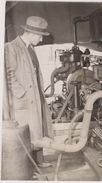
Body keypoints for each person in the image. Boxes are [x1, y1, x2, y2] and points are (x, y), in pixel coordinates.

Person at [4, 16, 53, 168]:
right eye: (40, 36)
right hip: (23, 100)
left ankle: (39, 160)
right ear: (31, 33)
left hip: (35, 97)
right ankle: (26, 165)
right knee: (27, 131)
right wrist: (23, 94)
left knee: (39, 127)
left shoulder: (30, 48)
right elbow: (8, 75)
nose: (41, 39)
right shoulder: (11, 48)